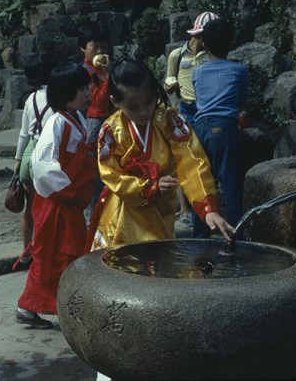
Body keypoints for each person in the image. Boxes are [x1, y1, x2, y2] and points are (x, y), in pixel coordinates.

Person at [89, 58, 234, 251]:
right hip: (124, 211)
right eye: (133, 107)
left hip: (161, 210)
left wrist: (208, 209)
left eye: (149, 102)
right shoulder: (110, 131)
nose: (143, 112)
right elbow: (111, 174)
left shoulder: (169, 120)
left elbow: (191, 160)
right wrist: (151, 186)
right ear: (116, 102)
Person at [15, 61, 97, 329]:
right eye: (81, 88)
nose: (88, 93)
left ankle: (50, 304)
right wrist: (69, 190)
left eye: (88, 87)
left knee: (62, 254)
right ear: (65, 92)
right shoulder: (57, 122)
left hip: (68, 200)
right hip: (58, 201)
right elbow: (42, 163)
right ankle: (39, 305)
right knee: (53, 253)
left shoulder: (78, 119)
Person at [191, 18, 248, 239]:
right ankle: (235, 236)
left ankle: (200, 236)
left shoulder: (197, 72)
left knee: (202, 185)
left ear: (204, 44)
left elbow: (198, 99)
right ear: (231, 43)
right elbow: (241, 99)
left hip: (199, 129)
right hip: (224, 129)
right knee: (230, 183)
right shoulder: (239, 70)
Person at [165, 11, 220, 226]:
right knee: (183, 159)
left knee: (204, 160)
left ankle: (207, 208)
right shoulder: (177, 55)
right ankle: (185, 210)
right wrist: (170, 83)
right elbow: (168, 78)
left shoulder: (212, 55)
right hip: (185, 109)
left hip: (207, 110)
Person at [14, 51, 58, 262]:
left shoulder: (31, 99)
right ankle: (44, 252)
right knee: (47, 208)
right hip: (47, 154)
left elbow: (24, 134)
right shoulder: (59, 97)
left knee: (30, 209)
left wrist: (17, 160)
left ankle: (26, 252)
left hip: (29, 152)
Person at [78, 20, 113, 224]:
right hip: (95, 125)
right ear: (83, 48)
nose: (100, 51)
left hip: (104, 123)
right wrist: (108, 75)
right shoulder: (86, 73)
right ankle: (93, 220)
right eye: (95, 46)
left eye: (104, 46)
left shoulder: (101, 70)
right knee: (96, 175)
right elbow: (99, 104)